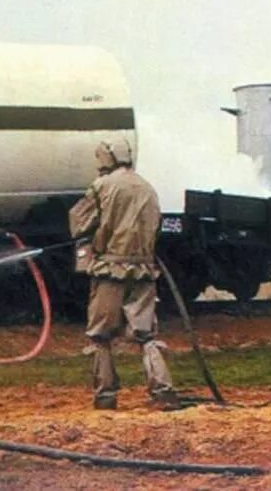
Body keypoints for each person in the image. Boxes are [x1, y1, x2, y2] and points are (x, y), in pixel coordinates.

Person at [69, 137, 179, 410]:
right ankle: (164, 392)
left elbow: (79, 223)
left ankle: (105, 396)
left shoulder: (102, 186)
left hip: (109, 271)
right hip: (143, 270)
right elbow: (156, 226)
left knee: (100, 335)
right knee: (147, 335)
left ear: (107, 157)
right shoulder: (147, 187)